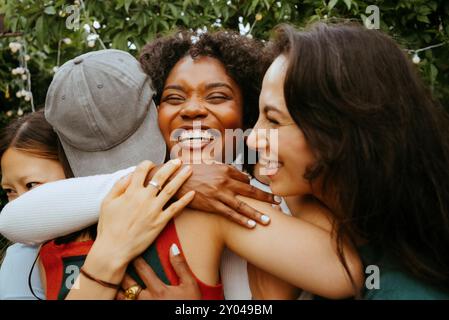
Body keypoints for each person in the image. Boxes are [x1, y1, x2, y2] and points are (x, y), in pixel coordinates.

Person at [0, 33, 363, 300]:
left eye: (218, 96)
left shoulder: (265, 197)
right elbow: (15, 220)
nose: (191, 110)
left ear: (248, 113)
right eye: (173, 98)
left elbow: (343, 277)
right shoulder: (124, 205)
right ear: (155, 114)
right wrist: (173, 178)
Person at [246, 22, 449, 299]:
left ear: (339, 133)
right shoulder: (349, 229)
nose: (252, 139)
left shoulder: (403, 291)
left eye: (273, 120)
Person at [0, 110, 199, 300]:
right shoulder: (24, 256)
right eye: (9, 190)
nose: (18, 202)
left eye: (32, 185)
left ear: (75, 170)